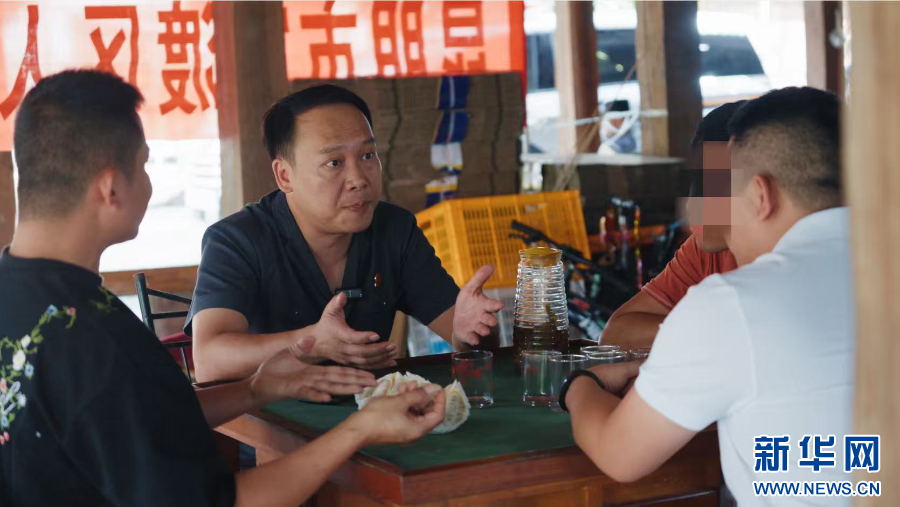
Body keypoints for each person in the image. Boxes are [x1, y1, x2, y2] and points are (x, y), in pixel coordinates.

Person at [0, 70, 447, 506]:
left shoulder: (33, 300)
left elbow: (131, 416)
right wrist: (360, 429)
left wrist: (254, 390)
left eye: (368, 155)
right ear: (111, 187)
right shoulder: (103, 344)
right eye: (144, 165)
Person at [563, 87, 852, 505]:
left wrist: (579, 384)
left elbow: (618, 454)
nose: (711, 212)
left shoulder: (733, 304)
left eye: (725, 194)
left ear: (760, 195)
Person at [187, 85, 503, 382]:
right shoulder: (236, 241)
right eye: (334, 162)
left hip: (375, 409)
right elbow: (209, 361)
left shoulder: (394, 230)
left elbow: (466, 338)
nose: (358, 179)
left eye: (367, 156)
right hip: (267, 417)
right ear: (285, 176)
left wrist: (474, 330)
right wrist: (311, 342)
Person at [600, 102, 742, 349]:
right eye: (696, 183)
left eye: (711, 185)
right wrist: (716, 332)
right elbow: (616, 333)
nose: (690, 205)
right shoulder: (705, 250)